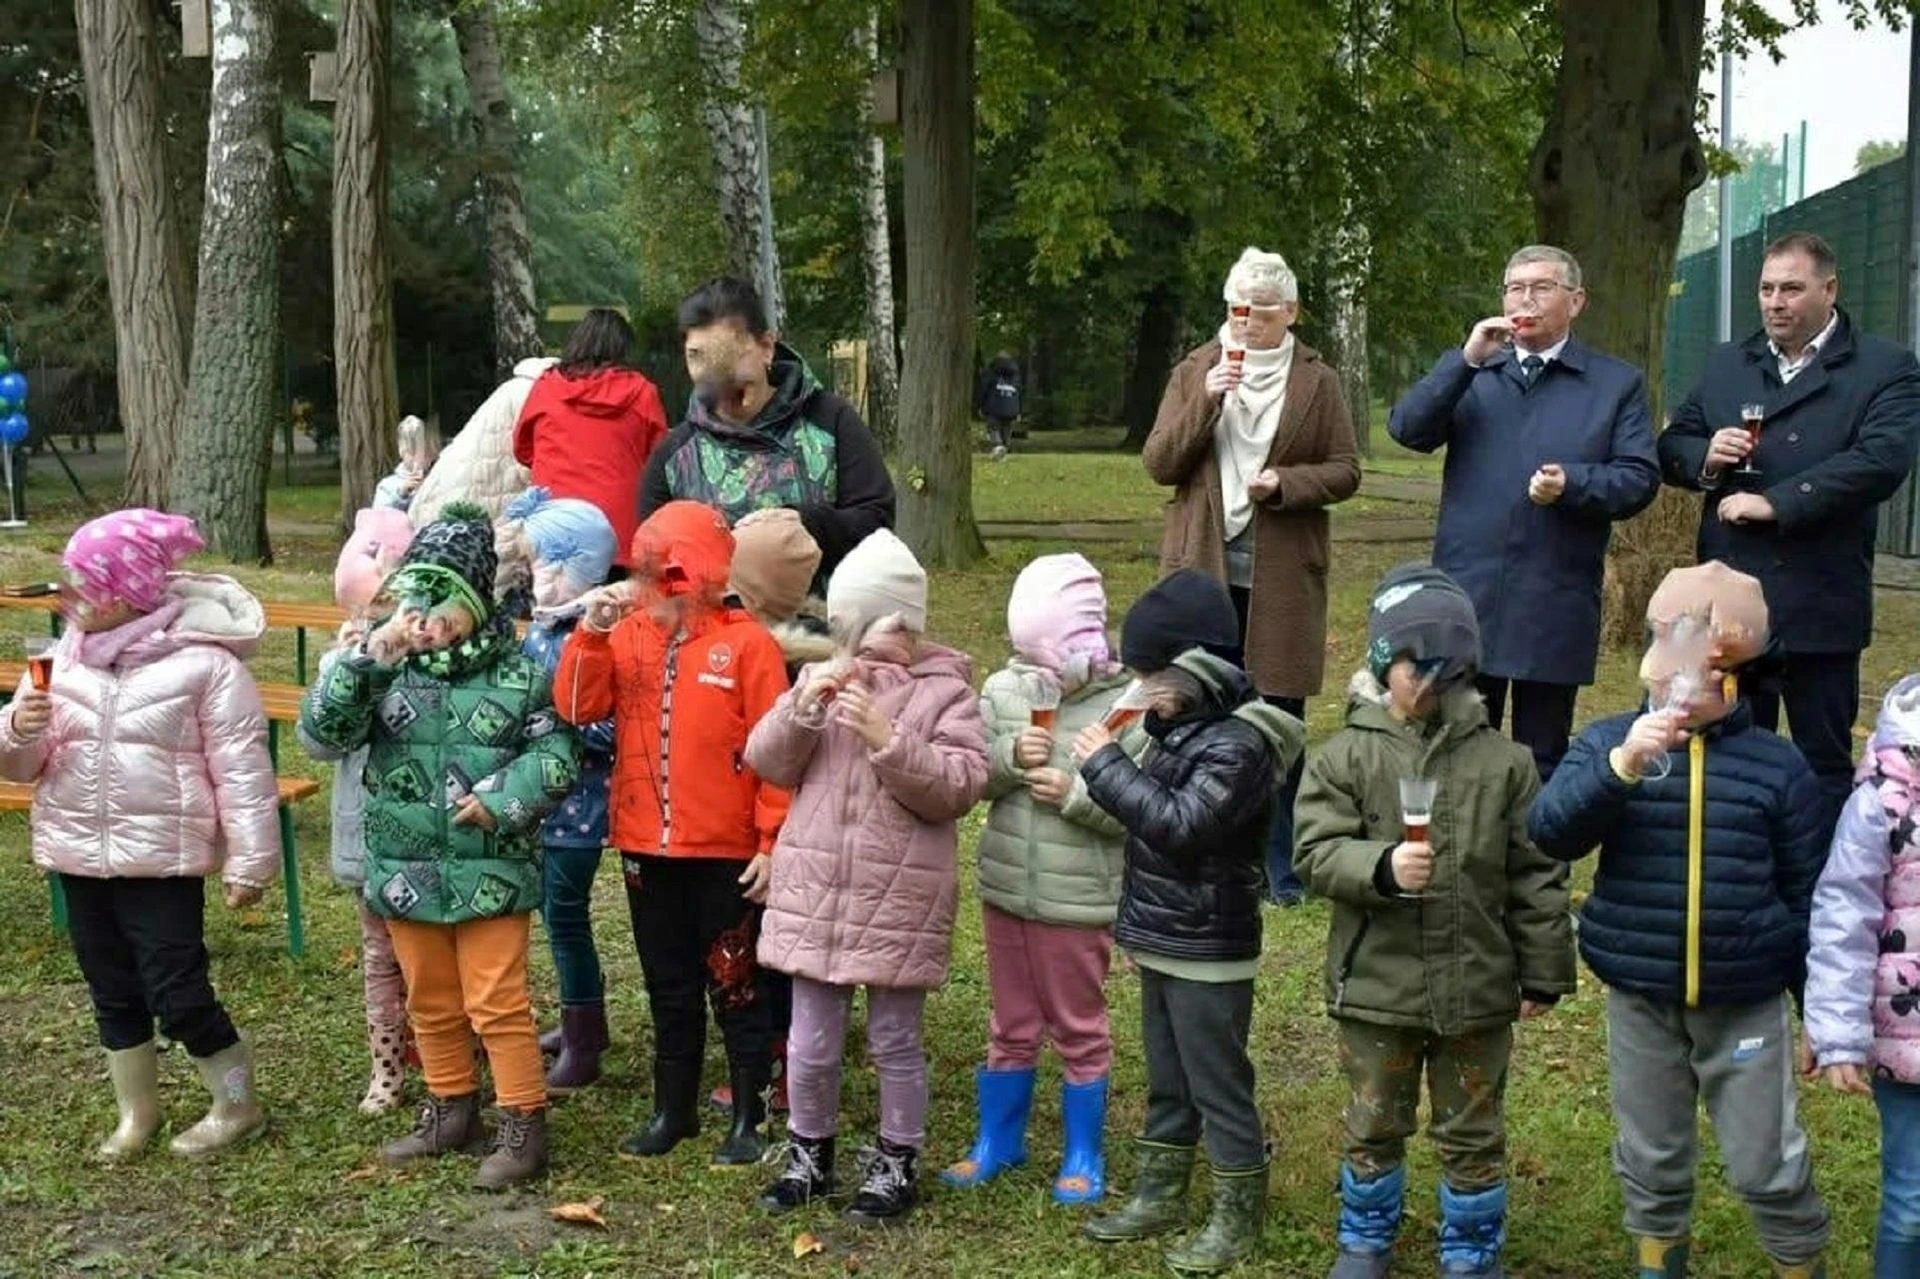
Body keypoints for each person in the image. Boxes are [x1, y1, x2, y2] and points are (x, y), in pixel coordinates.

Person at [1528, 562, 1831, 1279]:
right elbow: (1550, 831)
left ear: (1739, 677)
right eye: (1668, 669)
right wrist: (1620, 767)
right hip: (1641, 995)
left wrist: (1818, 1006)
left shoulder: (1777, 768)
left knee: (1766, 1163)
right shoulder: (1608, 741)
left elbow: (1808, 893)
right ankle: (1659, 1260)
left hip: (1745, 1000)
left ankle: (1799, 1259)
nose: (1682, 689)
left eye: (1706, 674)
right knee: (1653, 1155)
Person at [1294, 564, 1575, 1279]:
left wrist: (1543, 967)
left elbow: (1536, 871)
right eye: (1413, 664)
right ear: (1385, 664)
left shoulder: (1505, 763)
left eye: (1443, 667)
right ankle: (1364, 1241)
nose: (1425, 682)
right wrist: (1381, 866)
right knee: (1374, 1121)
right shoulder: (1344, 756)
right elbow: (1315, 851)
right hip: (1377, 991)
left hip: (1477, 992)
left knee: (1474, 1132)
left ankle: (1472, 1252)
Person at [299, 502, 581, 1190]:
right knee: (429, 995)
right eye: (413, 596)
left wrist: (502, 798)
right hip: (405, 864)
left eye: (441, 600)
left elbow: (557, 751)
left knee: (497, 999)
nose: (424, 616)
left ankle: (522, 1122)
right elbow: (323, 731)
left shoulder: (518, 672)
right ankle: (451, 1107)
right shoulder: (385, 663)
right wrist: (364, 659)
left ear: (474, 604)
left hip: (491, 868)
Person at [0, 511, 278, 1158]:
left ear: (127, 593)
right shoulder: (58, 660)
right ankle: (137, 1114)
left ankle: (237, 1101)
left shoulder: (206, 667)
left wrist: (250, 862)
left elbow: (242, 768)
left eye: (84, 585)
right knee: (112, 990)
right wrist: (19, 726)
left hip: (161, 863)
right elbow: (20, 768)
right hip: (80, 854)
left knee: (179, 994)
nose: (69, 598)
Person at [746, 530, 990, 1224]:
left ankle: (895, 1159)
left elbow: (960, 785)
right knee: (811, 1039)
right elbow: (766, 758)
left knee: (893, 1039)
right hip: (817, 893)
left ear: (905, 625)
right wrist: (801, 710)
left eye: (869, 628)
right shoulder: (818, 677)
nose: (853, 642)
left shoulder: (947, 695)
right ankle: (808, 1150)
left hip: (898, 898)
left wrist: (890, 741)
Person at [1656, 230, 1920, 839]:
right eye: (1766, 289)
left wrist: (1777, 502)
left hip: (1820, 599)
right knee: (1725, 755)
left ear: (1830, 290)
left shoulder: (1886, 368)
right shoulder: (1729, 362)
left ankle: (1819, 901)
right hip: (1729, 603)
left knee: (1820, 764)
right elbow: (1671, 446)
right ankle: (1738, 881)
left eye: (1791, 289)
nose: (1775, 302)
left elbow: (1879, 461)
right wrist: (1706, 456)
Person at [1076, 569, 1303, 1277]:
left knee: (1217, 1080)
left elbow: (1180, 826)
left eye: (1152, 674)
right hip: (1165, 935)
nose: (1141, 688)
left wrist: (1106, 764)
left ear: (1197, 668)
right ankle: (1161, 1191)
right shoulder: (1175, 728)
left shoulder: (1239, 745)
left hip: (1211, 944)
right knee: (1169, 1076)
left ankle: (1238, 1216)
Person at [553, 500, 791, 1166]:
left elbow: (778, 756)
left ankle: (750, 1116)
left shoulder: (748, 645)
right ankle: (674, 1107)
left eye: (678, 574)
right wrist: (590, 636)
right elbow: (575, 705)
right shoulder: (626, 636)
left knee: (737, 980)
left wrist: (771, 844)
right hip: (643, 846)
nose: (667, 589)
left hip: (726, 851)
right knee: (667, 981)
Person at [1388, 244, 1659, 782]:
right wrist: (1465, 360)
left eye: (1541, 288)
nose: (1524, 299)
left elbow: (1639, 478)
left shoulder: (1614, 384)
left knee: (1541, 756)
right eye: (1514, 288)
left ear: (1576, 301)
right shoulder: (1476, 370)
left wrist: (1574, 482)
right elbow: (1407, 430)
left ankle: (1536, 864)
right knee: (1455, 751)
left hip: (1553, 596)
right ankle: (1459, 863)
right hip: (1468, 595)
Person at [1143, 247, 1360, 906]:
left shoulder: (1316, 381)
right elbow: (1160, 463)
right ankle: (1192, 844)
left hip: (1283, 574)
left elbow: (1346, 469)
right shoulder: (1196, 370)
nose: (1247, 324)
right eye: (1237, 311)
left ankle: (1278, 862)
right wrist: (1205, 403)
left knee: (1278, 714)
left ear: (1290, 312)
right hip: (1201, 567)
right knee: (1195, 705)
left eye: (1262, 313)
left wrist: (1287, 482)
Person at [944, 553, 1136, 1204]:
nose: (1039, 669)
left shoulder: (1124, 708)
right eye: (1027, 653)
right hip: (1007, 888)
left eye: (1047, 654)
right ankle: (999, 1138)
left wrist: (1077, 793)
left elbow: (1136, 809)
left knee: (1078, 1024)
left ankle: (1084, 1150)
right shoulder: (1005, 689)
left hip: (1076, 900)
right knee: (1011, 1019)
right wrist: (1006, 755)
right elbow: (973, 775)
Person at [703, 506, 835, 1120]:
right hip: (760, 828)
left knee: (781, 957)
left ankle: (782, 1067)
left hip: (790, 835)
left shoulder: (789, 666)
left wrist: (773, 840)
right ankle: (780, 1055)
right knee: (765, 949)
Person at [640, 276, 896, 579]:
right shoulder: (674, 457)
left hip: (824, 620)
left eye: (731, 357)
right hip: (718, 623)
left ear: (766, 347)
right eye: (696, 356)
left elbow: (876, 523)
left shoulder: (831, 422)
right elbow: (653, 562)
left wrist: (804, 524)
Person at [497, 488, 620, 1092]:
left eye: (542, 565)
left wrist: (557, 715)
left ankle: (583, 1041)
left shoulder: (593, 634)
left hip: (580, 806)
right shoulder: (545, 629)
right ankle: (583, 1022)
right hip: (543, 804)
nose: (531, 577)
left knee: (566, 918)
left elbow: (609, 723)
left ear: (578, 566)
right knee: (555, 917)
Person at [298, 506, 419, 1115]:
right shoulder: (341, 663)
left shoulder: (430, 666)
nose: (372, 624)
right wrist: (348, 670)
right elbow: (321, 743)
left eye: (383, 612)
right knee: (379, 961)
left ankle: (450, 1050)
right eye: (361, 613)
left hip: (421, 841)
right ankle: (387, 1066)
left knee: (430, 961)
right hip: (367, 844)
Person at [1805, 675, 1920, 1279]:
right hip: (1908, 1041)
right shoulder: (1884, 799)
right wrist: (1837, 1033)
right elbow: (1843, 912)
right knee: (1913, 1203)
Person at [513, 307, 670, 571]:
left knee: (553, 608)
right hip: (620, 537)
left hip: (555, 534)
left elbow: (523, 450)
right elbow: (661, 463)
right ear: (623, 349)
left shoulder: (546, 388)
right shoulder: (643, 393)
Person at [410, 356, 555, 526]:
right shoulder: (539, 393)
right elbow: (529, 462)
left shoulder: (511, 389)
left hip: (444, 497)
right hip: (477, 505)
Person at [374, 415, 440, 513]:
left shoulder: (438, 480)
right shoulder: (387, 486)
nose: (419, 457)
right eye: (411, 451)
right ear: (402, 451)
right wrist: (401, 494)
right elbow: (379, 517)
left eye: (426, 451)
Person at [977, 352, 1023, 460]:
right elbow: (1020, 392)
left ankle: (998, 446)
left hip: (994, 406)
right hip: (1012, 407)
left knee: (993, 427)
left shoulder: (990, 373)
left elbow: (984, 390)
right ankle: (1004, 449)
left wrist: (981, 405)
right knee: (1006, 428)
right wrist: (1019, 410)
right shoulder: (1016, 375)